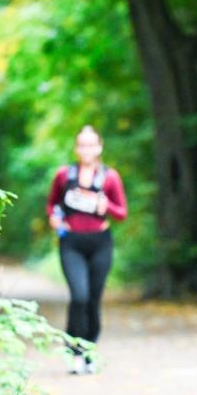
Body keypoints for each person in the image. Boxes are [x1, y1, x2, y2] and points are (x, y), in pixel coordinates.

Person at [46, 125, 128, 374]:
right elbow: (52, 205)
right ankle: (74, 352)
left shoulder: (109, 177)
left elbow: (122, 213)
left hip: (100, 243)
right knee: (79, 296)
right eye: (82, 144)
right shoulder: (64, 175)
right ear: (76, 148)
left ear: (99, 147)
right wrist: (54, 219)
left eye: (91, 144)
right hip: (71, 243)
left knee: (93, 300)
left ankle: (89, 352)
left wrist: (107, 207)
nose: (86, 149)